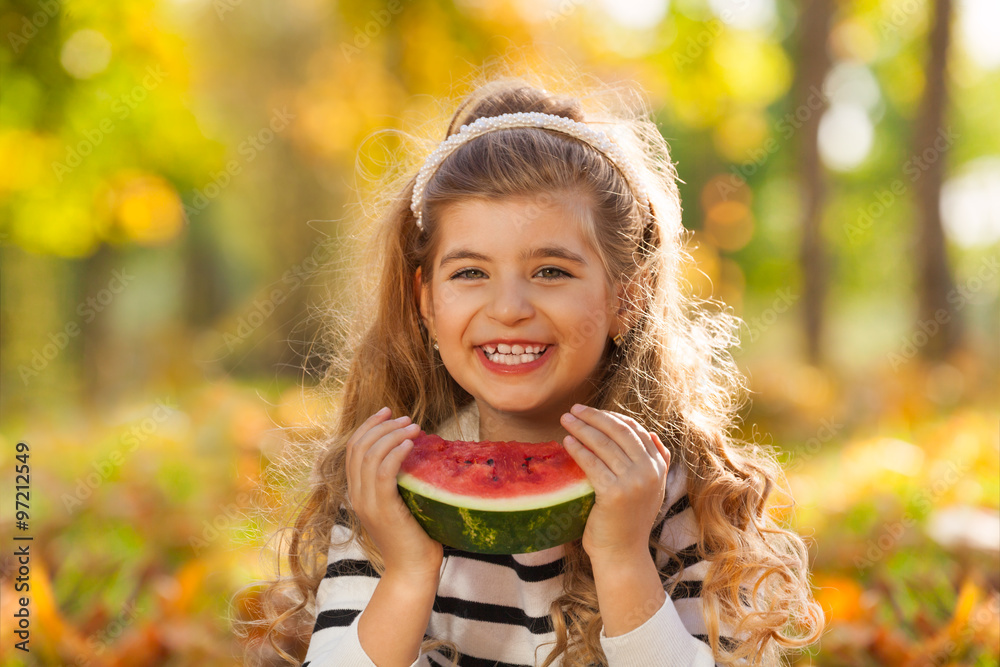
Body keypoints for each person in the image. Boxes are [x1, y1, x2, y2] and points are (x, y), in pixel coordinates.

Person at [238, 66, 824, 667]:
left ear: (629, 297)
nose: (510, 309)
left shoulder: (676, 490)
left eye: (551, 271)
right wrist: (409, 572)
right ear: (426, 303)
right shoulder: (390, 482)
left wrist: (622, 557)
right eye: (469, 273)